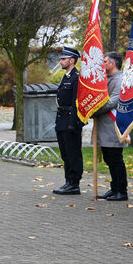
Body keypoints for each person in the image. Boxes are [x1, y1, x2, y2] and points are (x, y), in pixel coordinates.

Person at [90, 52, 128, 201]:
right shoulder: (106, 79)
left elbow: (114, 101)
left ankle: (122, 191)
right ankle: (114, 188)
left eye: (104, 61)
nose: (102, 64)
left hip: (113, 126)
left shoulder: (119, 79)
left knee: (115, 158)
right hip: (104, 125)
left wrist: (93, 109)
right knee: (108, 158)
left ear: (112, 64)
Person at [53, 47, 84, 195]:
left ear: (72, 60)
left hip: (70, 120)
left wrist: (73, 122)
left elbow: (75, 101)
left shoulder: (76, 77)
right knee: (65, 153)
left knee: (73, 153)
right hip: (62, 119)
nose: (61, 61)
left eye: (64, 59)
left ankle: (74, 183)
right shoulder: (66, 76)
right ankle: (68, 182)